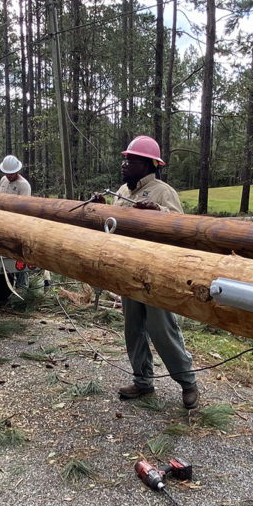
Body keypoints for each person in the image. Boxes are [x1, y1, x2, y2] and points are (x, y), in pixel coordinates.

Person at [91, 135, 199, 409]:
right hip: (128, 269)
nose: (125, 164)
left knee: (161, 328)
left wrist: (157, 211)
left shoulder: (164, 192)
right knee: (133, 328)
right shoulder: (124, 192)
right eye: (125, 159)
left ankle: (187, 382)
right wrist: (102, 208)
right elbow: (112, 227)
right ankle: (143, 381)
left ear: (150, 164)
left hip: (155, 273)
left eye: (132, 160)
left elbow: (181, 229)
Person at [0, 154, 32, 288]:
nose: (9, 175)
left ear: (17, 170)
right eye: (7, 173)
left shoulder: (23, 185)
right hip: (2, 222)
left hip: (17, 224)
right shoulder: (3, 180)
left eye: (11, 173)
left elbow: (24, 209)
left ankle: (22, 286)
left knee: (19, 254)